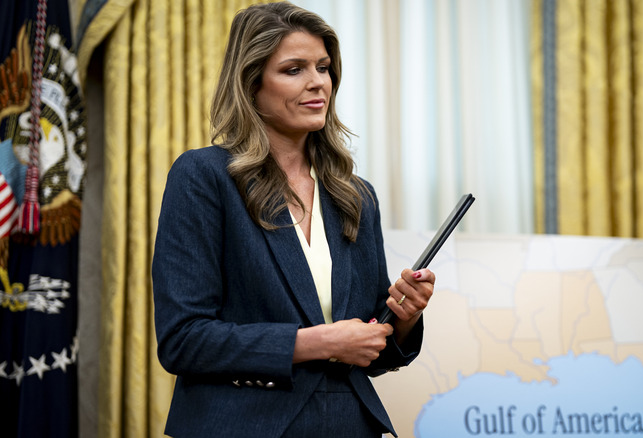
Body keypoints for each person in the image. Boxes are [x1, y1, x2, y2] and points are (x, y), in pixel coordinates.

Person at [151, 2, 434, 437]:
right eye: (293, 69)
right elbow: (183, 340)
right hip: (242, 426)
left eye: (323, 67)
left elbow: (372, 351)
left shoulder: (356, 195)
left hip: (348, 425)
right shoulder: (204, 177)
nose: (317, 82)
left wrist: (404, 316)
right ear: (251, 83)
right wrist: (318, 342)